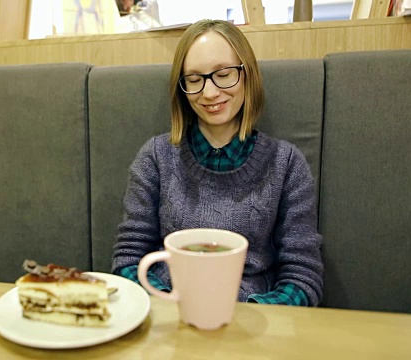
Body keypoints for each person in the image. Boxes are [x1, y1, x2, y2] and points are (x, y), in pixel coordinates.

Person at [111, 19, 324, 306]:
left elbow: (303, 277)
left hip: (251, 326)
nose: (209, 93)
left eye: (223, 74)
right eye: (195, 79)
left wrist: (252, 316)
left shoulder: (286, 165)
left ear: (247, 75)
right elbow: (128, 261)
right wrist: (170, 304)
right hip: (168, 318)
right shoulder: (155, 158)